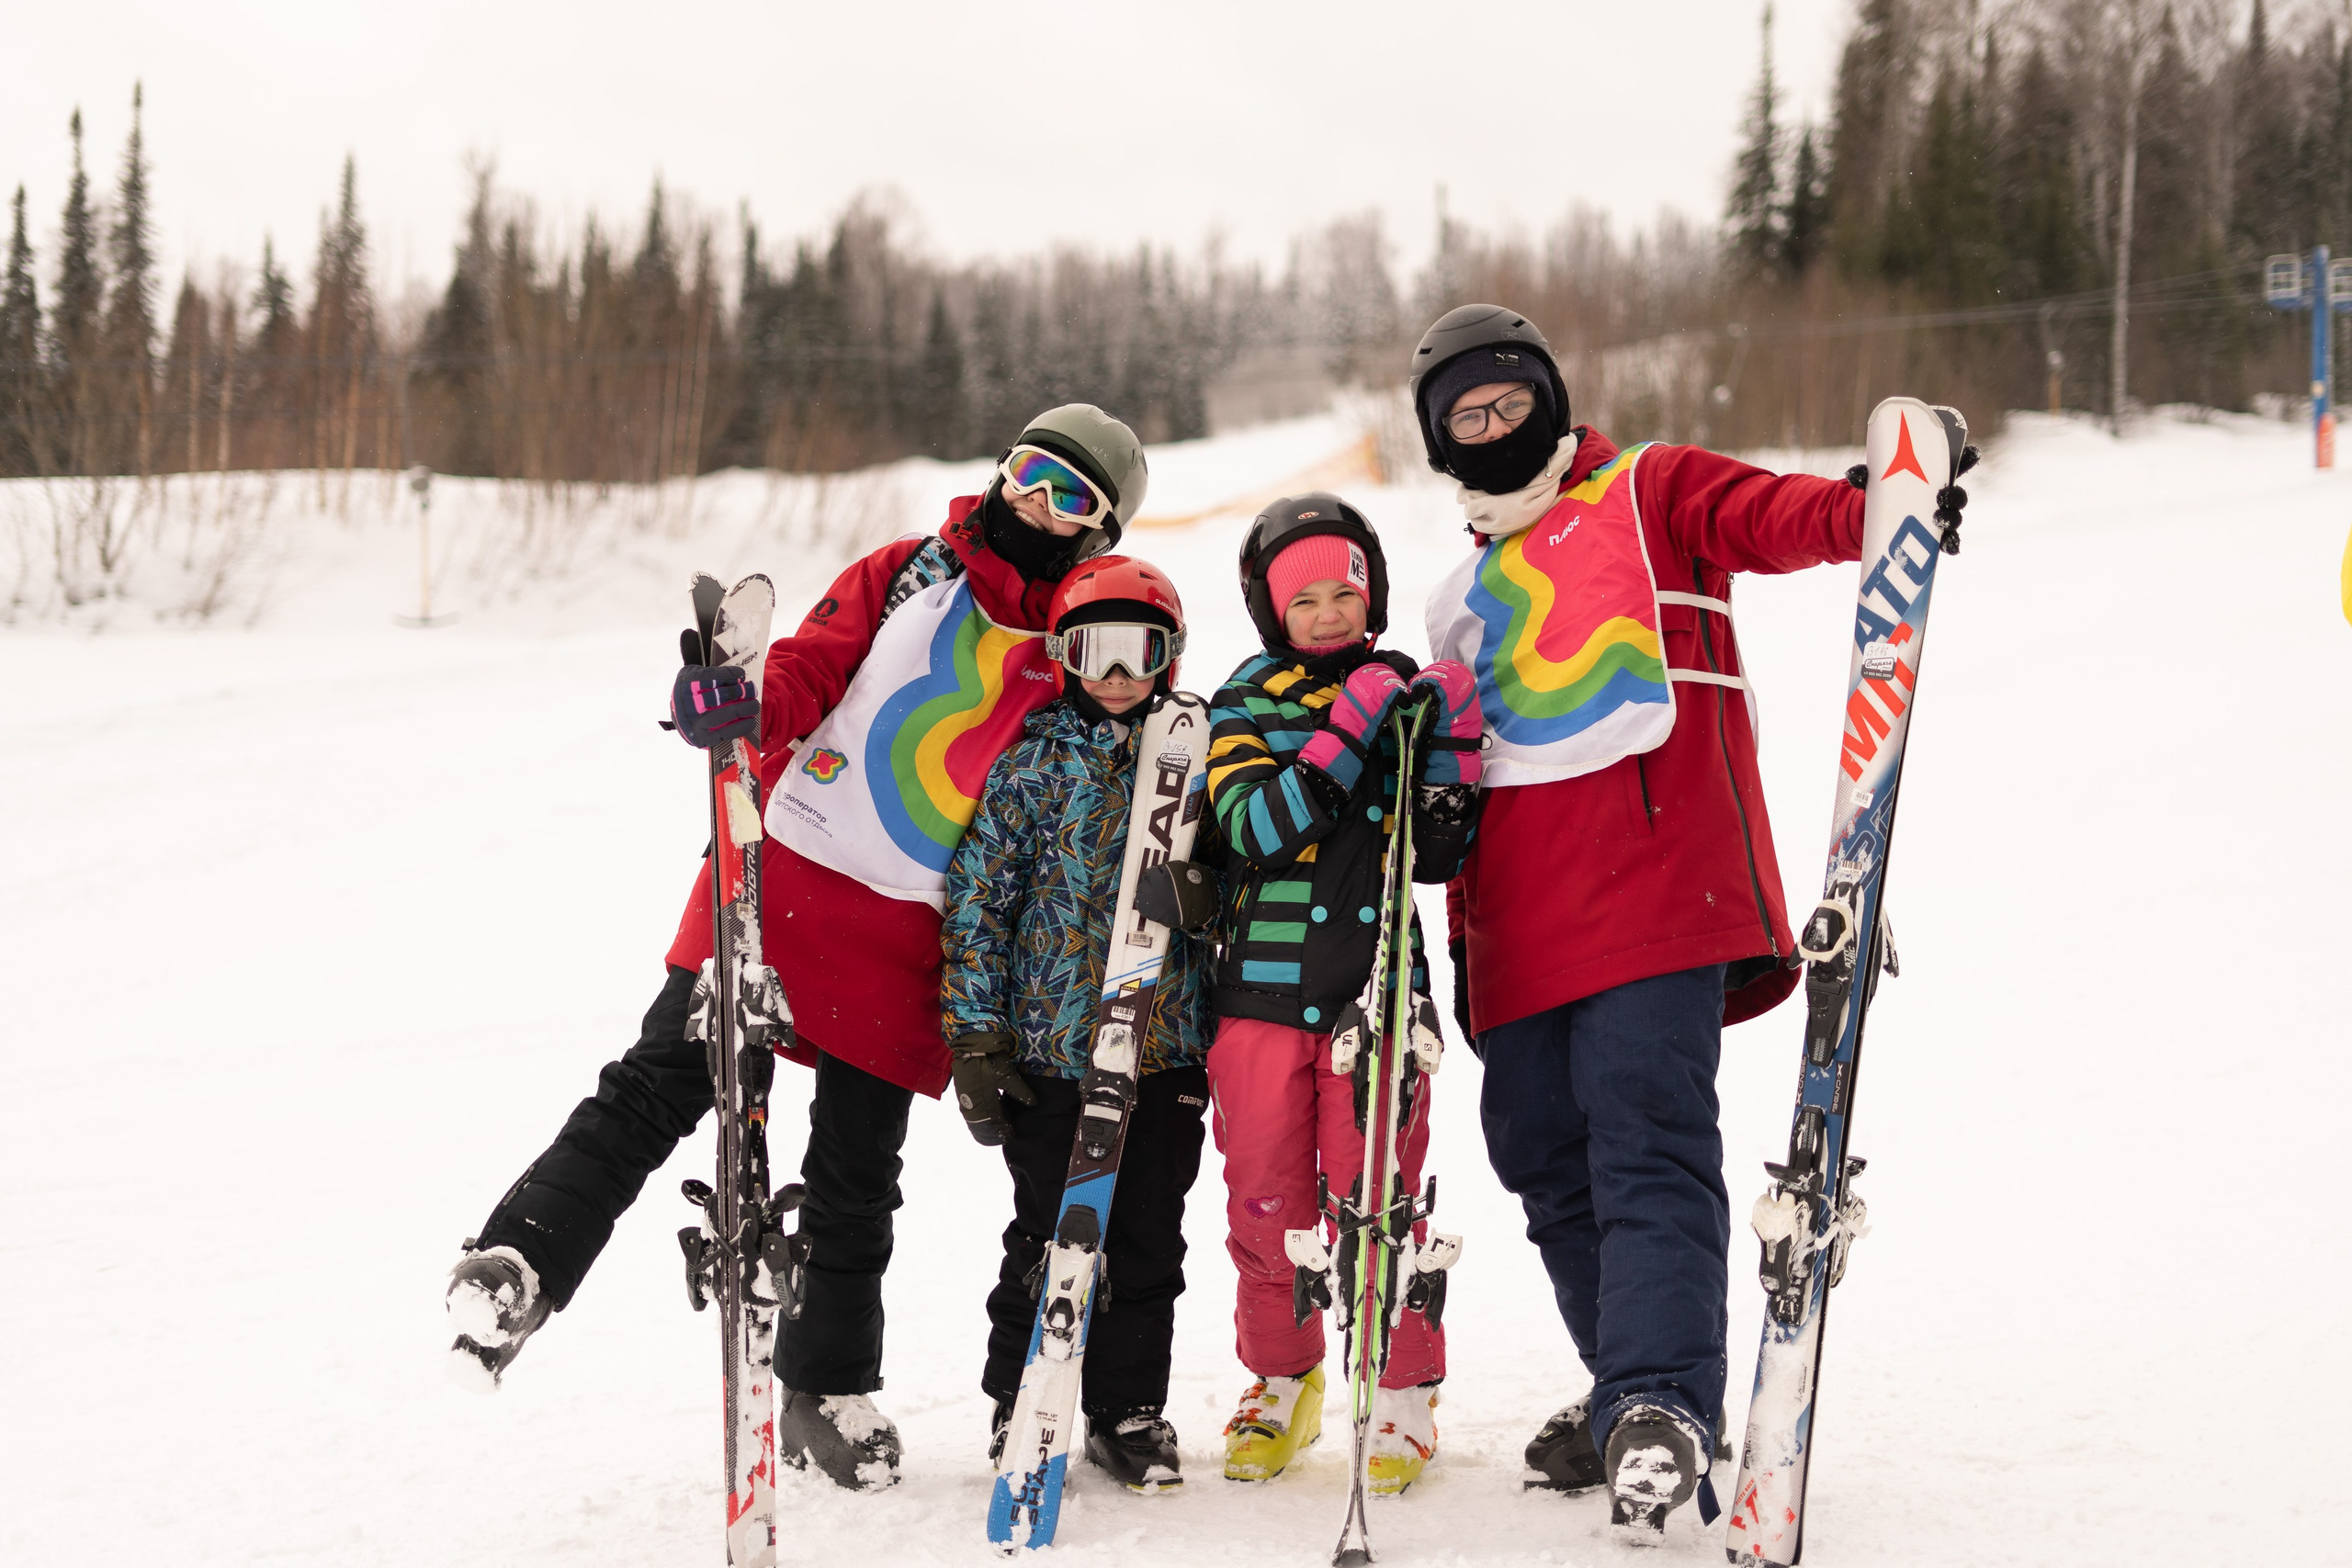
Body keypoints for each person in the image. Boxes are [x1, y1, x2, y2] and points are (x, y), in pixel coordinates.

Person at [444, 405, 1152, 1492]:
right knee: (661, 1079)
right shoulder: (909, 572)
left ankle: (827, 1382)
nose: (1034, 504)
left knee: (856, 1168)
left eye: (1069, 497)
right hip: (779, 876)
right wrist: (741, 702)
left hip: (908, 930)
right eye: (1028, 472)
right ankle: (521, 1263)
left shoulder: (1076, 643)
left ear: (1095, 532)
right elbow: (813, 671)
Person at [1408, 304, 1970, 1540]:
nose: (1494, 427)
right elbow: (1454, 780)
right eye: (1468, 417)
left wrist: (1876, 510)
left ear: (1550, 403)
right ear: (1444, 445)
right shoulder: (1456, 596)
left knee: (1643, 1127)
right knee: (1543, 1156)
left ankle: (1663, 1397)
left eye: (1510, 402)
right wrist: (1454, 931)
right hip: (1514, 925)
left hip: (1656, 888)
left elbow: (1767, 517)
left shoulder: (1647, 492)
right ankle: (1632, 1391)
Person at [1200, 493, 1484, 1496]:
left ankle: (1403, 1391)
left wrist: (1451, 751)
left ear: (1373, 596)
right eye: (1304, 597)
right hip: (1261, 997)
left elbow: (1439, 855)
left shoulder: (1398, 691)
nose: (1326, 612)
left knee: (1378, 1196)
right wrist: (1341, 735)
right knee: (1268, 1200)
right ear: (1269, 610)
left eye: (1344, 592)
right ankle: (1283, 1380)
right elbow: (1251, 829)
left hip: (1378, 991)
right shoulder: (1242, 701)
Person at [941, 554, 1219, 1493]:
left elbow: (1257, 876)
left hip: (1165, 1047)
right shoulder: (1030, 764)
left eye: (1136, 650)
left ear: (1167, 657)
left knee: (1148, 1236)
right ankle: (1020, 1395)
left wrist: (1210, 895)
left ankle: (1126, 1408)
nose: (1113, 673)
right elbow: (979, 901)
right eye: (1090, 649)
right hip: (1054, 1053)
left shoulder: (1204, 756)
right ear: (1061, 656)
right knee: (1046, 1234)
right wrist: (977, 1038)